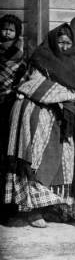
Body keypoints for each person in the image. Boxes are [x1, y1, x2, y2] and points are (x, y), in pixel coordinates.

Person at [4, 23, 75, 228]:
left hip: (57, 117)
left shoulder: (70, 63)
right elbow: (32, 85)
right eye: (61, 42)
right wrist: (68, 95)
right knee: (36, 159)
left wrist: (70, 96)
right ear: (52, 41)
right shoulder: (41, 58)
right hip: (34, 114)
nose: (64, 46)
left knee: (61, 160)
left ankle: (51, 207)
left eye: (68, 43)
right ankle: (32, 211)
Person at [0, 14, 26, 222]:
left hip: (10, 105)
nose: (6, 33)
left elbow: (23, 80)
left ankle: (8, 208)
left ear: (17, 33)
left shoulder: (21, 55)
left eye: (11, 30)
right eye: (4, 29)